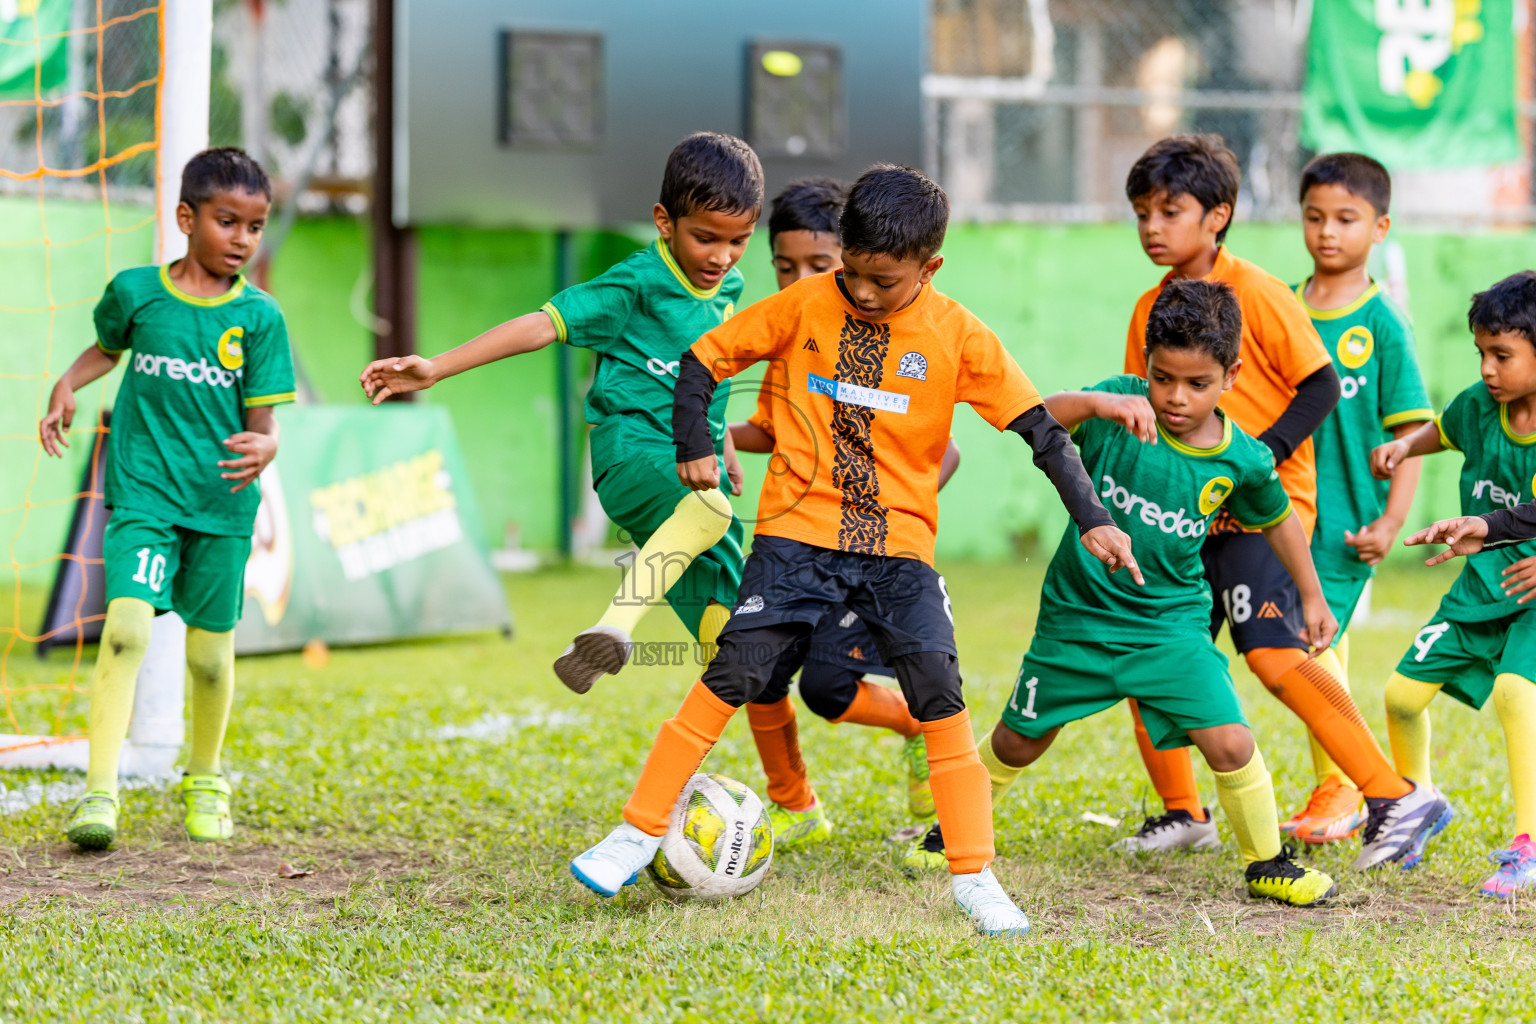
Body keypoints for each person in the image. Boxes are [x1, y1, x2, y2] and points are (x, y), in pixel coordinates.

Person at [569, 164, 1139, 937]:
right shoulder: (806, 303)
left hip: (898, 550)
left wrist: (1095, 517)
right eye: (854, 272)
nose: (863, 293)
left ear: (930, 268)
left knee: (939, 690)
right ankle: (636, 834)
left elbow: (1040, 429)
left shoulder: (959, 335)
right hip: (796, 537)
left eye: (884, 281)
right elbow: (705, 361)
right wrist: (694, 444)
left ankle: (975, 875)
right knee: (732, 673)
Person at [903, 280, 1338, 904]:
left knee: (1231, 740)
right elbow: (1041, 415)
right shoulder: (1118, 405)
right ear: (1146, 367)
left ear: (1231, 376)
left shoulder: (1240, 458)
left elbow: (1278, 518)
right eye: (1163, 379)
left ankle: (1267, 863)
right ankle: (953, 830)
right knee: (1017, 742)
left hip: (1170, 627)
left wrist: (1312, 596)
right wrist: (1097, 404)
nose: (1176, 398)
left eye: (1197, 384)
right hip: (1077, 619)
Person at [1113, 134, 1444, 869]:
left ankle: (1394, 796)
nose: (1153, 227)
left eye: (1171, 211)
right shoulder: (1146, 309)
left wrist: (1253, 461)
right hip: (1186, 515)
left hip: (1264, 510)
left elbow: (1320, 385)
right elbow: (1151, 406)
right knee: (1149, 644)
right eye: (1142, 212)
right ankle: (1183, 811)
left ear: (1218, 215)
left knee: (1271, 655)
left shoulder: (1257, 292)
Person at [360, 132, 760, 694]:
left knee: (736, 646)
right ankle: (612, 629)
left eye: (738, 240)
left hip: (689, 474)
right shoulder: (636, 283)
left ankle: (692, 773)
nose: (721, 256)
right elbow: (539, 326)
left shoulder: (730, 287)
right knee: (711, 510)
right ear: (664, 222)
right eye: (705, 238)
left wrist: (724, 445)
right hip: (633, 455)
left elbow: (710, 373)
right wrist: (437, 367)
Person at [40, 148, 295, 849]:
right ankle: (99, 794)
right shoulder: (135, 292)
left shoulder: (261, 320)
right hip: (143, 493)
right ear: (186, 218)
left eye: (255, 226)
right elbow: (106, 349)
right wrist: (69, 383)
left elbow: (264, 423)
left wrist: (267, 446)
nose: (243, 238)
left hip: (220, 506)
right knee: (125, 630)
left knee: (209, 660)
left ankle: (206, 776)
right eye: (227, 221)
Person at [727, 178, 962, 839]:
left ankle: (920, 726)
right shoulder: (792, 336)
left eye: (818, 266)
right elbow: (775, 430)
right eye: (784, 266)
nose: (800, 278)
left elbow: (946, 454)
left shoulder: (893, 340)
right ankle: (795, 805)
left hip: (867, 552)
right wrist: (710, 432)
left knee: (827, 688)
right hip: (798, 544)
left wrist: (883, 520)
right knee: (758, 670)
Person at [1281, 152, 1432, 843]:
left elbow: (1411, 436)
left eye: (1346, 219)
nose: (1328, 233)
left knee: (1312, 647)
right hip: (1282, 514)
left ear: (1380, 228)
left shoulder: (1385, 325)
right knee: (1297, 647)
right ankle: (1351, 784)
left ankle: (1342, 787)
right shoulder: (1281, 307)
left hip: (1346, 520)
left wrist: (1393, 520)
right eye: (1315, 217)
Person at [1373, 271, 1536, 897]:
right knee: (1400, 696)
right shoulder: (1480, 405)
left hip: (1529, 597)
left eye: (1503, 355)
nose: (1489, 369)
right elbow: (1446, 427)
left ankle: (1527, 845)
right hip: (1479, 589)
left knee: (1517, 693)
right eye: (1482, 354)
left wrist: (1489, 527)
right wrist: (1405, 447)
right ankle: (1416, 805)